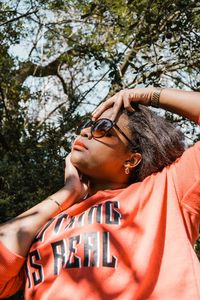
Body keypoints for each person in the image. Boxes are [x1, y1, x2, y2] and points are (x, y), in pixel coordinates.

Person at [0, 87, 199, 300]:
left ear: (131, 159)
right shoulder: (45, 225)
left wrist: (146, 95)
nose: (85, 132)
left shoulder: (167, 190)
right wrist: (67, 193)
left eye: (104, 127)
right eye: (87, 125)